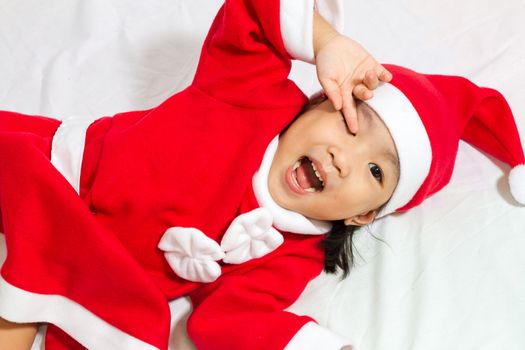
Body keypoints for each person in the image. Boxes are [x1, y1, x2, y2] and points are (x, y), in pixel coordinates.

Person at [1, 1, 524, 350]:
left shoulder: (292, 254)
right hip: (60, 177)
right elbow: (252, 12)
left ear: (364, 213)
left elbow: (227, 320)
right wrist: (326, 42)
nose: (345, 156)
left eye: (374, 169)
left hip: (103, 277)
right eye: (351, 123)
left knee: (96, 321)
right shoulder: (251, 95)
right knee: (22, 275)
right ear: (319, 99)